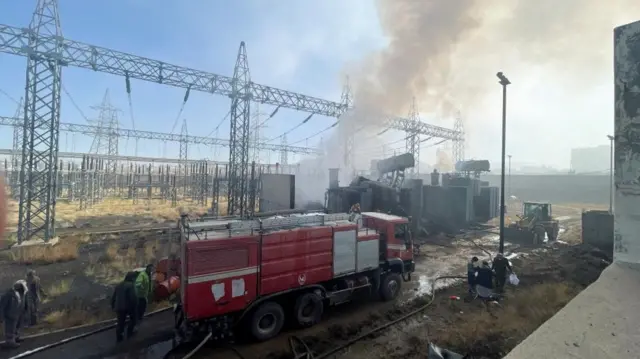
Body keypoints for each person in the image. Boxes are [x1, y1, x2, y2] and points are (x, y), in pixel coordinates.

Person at [111, 272, 138, 342]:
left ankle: (119, 337)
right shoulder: (130, 285)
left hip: (119, 307)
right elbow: (133, 297)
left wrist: (113, 306)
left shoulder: (119, 285)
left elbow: (113, 297)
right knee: (133, 319)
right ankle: (130, 334)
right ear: (132, 278)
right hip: (128, 307)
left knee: (120, 322)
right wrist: (135, 305)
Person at [0, 281, 27, 348]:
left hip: (18, 313)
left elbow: (21, 302)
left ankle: (16, 338)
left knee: (17, 327)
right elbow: (2, 306)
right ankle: (10, 342)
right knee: (10, 328)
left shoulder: (20, 293)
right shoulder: (8, 294)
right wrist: (1, 316)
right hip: (10, 314)